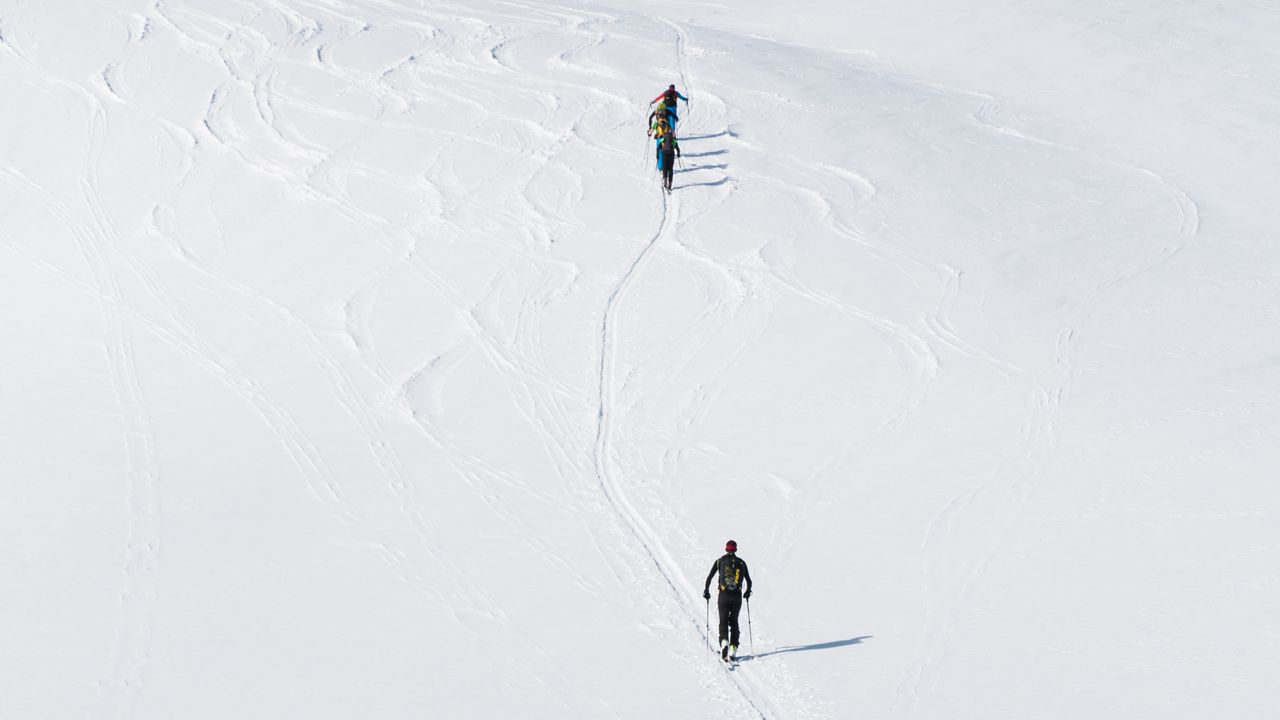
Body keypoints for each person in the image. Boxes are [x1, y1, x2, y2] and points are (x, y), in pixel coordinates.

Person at [702, 539, 752, 660]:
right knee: (734, 622)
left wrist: (706, 591)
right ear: (735, 549)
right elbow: (749, 581)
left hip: (723, 595)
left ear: (726, 549)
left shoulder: (720, 562)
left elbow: (709, 578)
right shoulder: (742, 563)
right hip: (737, 596)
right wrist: (747, 592)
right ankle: (733, 648)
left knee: (723, 621)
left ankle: (724, 642)